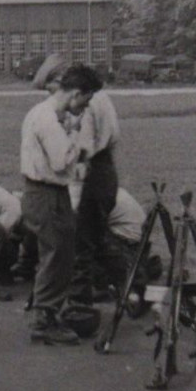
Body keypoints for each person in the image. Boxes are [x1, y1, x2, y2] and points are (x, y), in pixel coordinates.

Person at [19, 63, 102, 345]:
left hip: (49, 192)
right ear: (76, 94)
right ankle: (44, 320)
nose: (86, 108)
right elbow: (61, 160)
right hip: (45, 193)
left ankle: (48, 311)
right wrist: (78, 140)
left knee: (60, 255)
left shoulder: (48, 114)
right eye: (86, 101)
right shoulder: (48, 120)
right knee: (57, 256)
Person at [71, 81, 120, 303]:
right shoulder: (103, 99)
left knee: (88, 235)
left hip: (96, 168)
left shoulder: (90, 103)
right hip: (105, 168)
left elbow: (85, 144)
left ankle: (83, 293)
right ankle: (108, 285)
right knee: (97, 235)